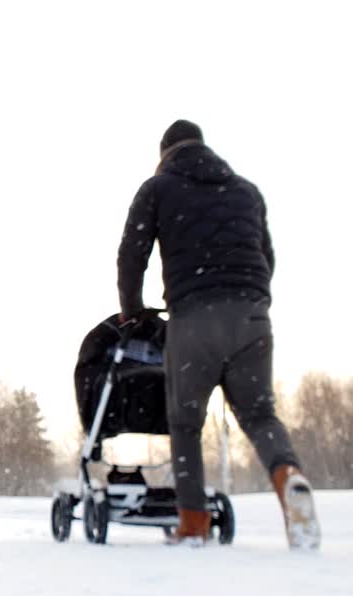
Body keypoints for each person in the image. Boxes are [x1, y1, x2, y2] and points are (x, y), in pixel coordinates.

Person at [116, 119, 321, 550]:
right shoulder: (246, 191)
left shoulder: (158, 188)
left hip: (193, 320)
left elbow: (132, 254)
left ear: (164, 153)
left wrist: (132, 312)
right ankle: (288, 476)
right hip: (251, 318)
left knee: (186, 422)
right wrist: (250, 299)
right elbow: (267, 256)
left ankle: (193, 521)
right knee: (261, 415)